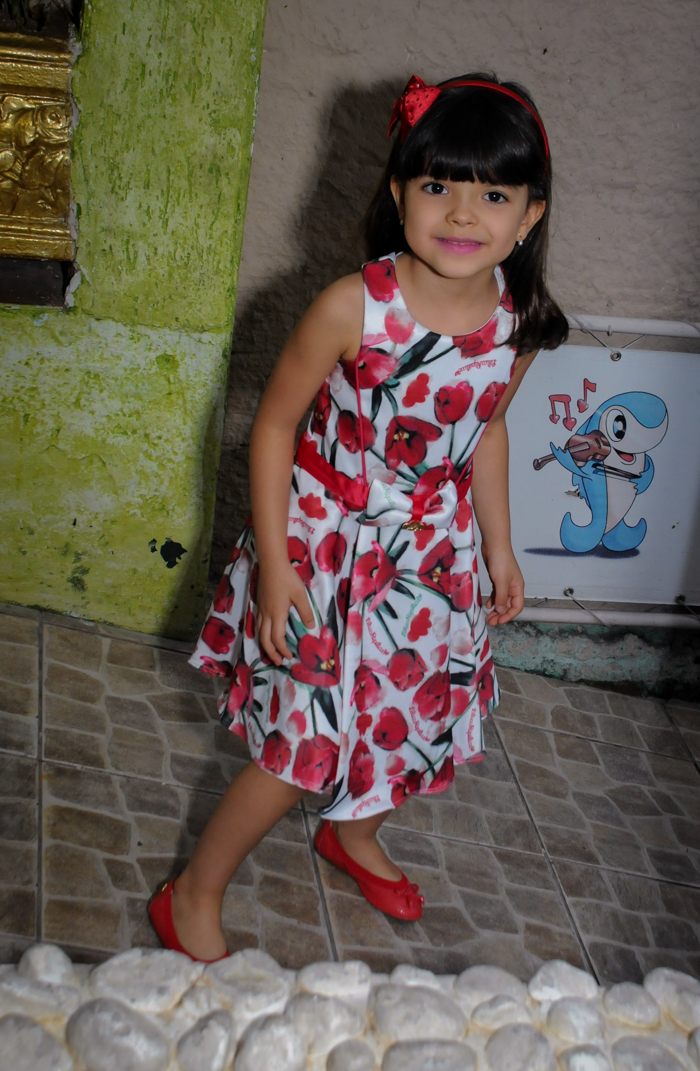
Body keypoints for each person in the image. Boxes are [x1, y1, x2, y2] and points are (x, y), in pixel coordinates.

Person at [149, 71, 568, 962]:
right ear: (397, 192)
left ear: (529, 214)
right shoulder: (354, 305)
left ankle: (354, 834)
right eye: (436, 185)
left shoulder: (517, 323)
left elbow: (485, 428)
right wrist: (276, 564)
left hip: (433, 557)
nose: (461, 213)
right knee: (300, 744)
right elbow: (271, 426)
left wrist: (498, 544)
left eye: (492, 193)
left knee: (408, 716)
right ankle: (193, 891)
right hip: (324, 550)